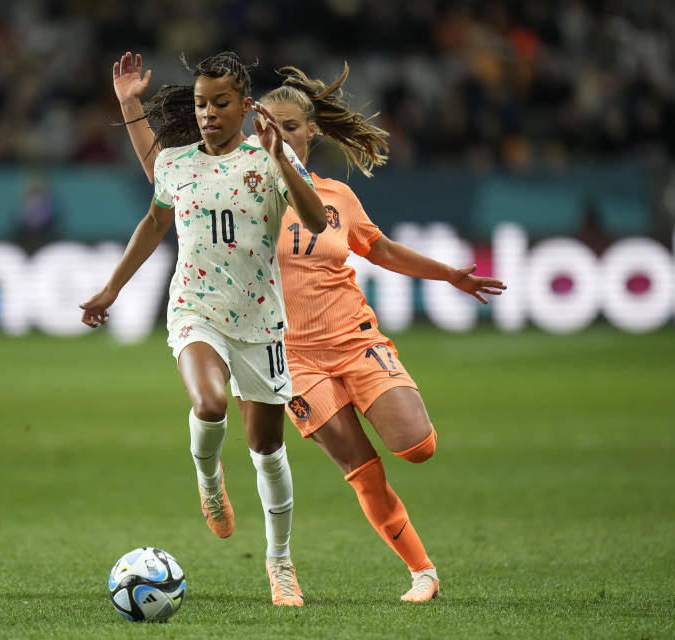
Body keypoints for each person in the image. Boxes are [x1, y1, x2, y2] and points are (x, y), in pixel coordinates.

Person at [111, 52, 506, 603]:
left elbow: (382, 249)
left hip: (354, 339)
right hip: (289, 353)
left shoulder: (336, 196)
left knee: (418, 447)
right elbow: (165, 178)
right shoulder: (244, 179)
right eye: (268, 125)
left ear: (310, 133)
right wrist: (131, 107)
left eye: (290, 126)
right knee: (361, 470)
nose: (278, 134)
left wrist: (449, 276)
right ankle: (423, 573)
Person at [81, 51, 328, 607]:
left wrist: (281, 160)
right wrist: (112, 288)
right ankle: (210, 480)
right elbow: (153, 221)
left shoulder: (270, 158)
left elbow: (314, 221)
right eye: (200, 103)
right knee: (210, 403)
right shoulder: (178, 163)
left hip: (260, 321)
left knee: (267, 450)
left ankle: (280, 563)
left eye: (220, 103)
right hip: (195, 310)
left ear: (246, 105)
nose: (208, 113)